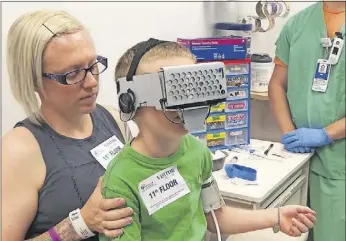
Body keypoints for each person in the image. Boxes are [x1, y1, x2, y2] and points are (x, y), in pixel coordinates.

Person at [99, 39, 317, 241]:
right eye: (176, 91)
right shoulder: (121, 178)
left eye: (193, 89)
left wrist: (275, 216)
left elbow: (215, 215)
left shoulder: (196, 150)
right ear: (130, 102)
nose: (190, 104)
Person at [2, 10, 135, 241]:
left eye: (93, 65)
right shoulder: (19, 150)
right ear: (34, 79)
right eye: (73, 74)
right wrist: (81, 224)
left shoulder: (112, 119)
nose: (92, 82)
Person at [268, 1, 345, 241]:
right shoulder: (298, 24)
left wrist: (326, 134)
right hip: (299, 161)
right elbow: (277, 84)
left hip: (339, 163)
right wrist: (289, 131)